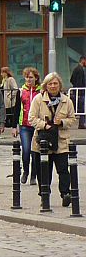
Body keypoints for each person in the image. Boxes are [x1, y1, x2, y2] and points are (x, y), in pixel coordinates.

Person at [29, 72, 78, 206]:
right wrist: (45, 125)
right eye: (50, 83)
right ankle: (44, 195)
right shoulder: (38, 99)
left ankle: (65, 194)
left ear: (59, 85)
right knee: (44, 171)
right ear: (46, 85)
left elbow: (72, 119)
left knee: (63, 169)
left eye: (55, 83)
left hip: (61, 140)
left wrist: (62, 122)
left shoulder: (66, 101)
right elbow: (31, 118)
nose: (53, 86)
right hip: (43, 141)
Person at [15, 67, 42, 184]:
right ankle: (25, 171)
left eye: (31, 77)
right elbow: (16, 109)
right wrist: (14, 126)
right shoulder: (21, 91)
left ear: (36, 78)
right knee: (26, 150)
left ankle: (33, 176)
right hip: (24, 125)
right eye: (27, 77)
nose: (29, 79)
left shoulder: (41, 91)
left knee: (35, 151)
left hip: (37, 125)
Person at [71, 56, 86, 127]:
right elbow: (80, 82)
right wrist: (80, 91)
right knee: (83, 107)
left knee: (82, 107)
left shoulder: (76, 69)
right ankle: (82, 123)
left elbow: (72, 79)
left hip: (77, 91)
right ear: (83, 60)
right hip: (80, 92)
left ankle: (82, 123)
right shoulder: (80, 70)